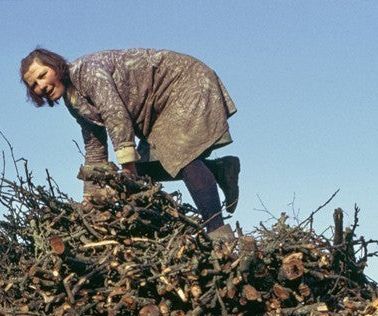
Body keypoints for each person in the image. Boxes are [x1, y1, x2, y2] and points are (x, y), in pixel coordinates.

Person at [20, 47, 241, 239]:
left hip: (182, 82)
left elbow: (115, 114)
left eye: (42, 74)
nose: (42, 85)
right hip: (158, 110)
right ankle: (220, 170)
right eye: (34, 85)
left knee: (182, 155)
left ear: (56, 67)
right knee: (144, 169)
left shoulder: (86, 72)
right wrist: (91, 197)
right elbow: (95, 148)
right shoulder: (74, 102)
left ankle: (217, 233)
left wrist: (127, 167)